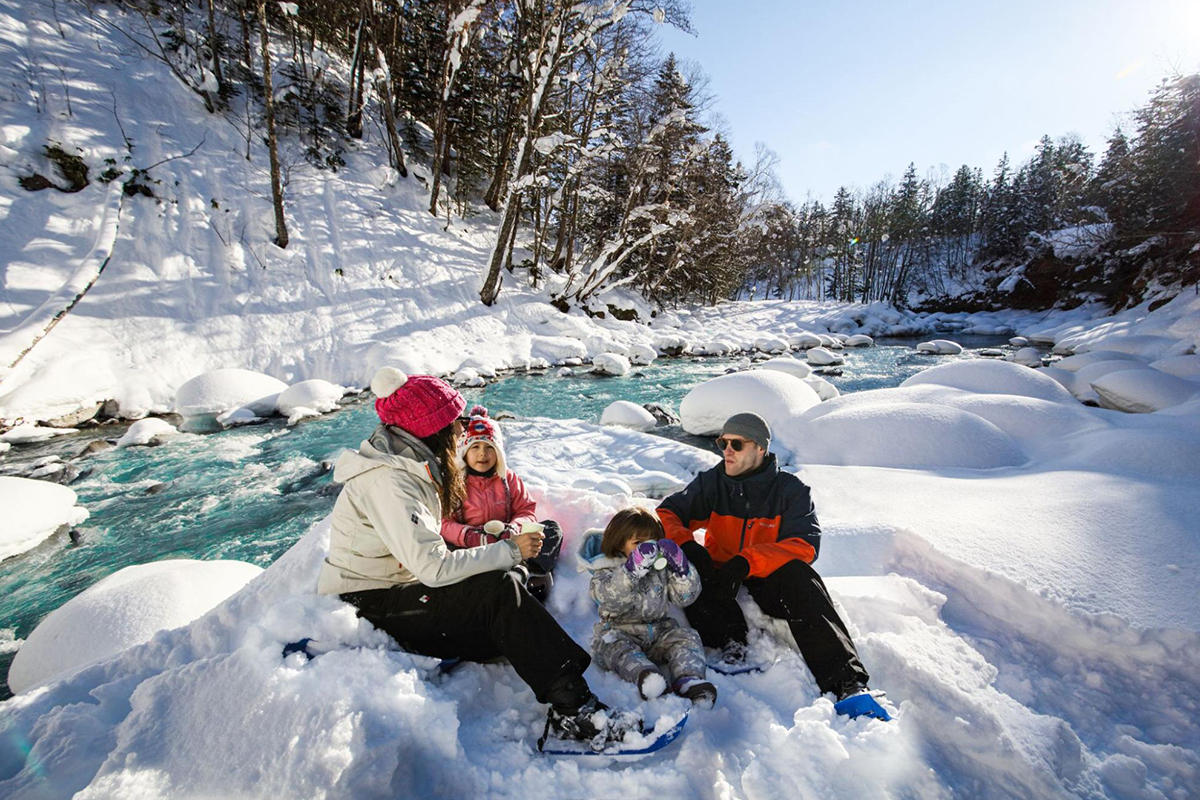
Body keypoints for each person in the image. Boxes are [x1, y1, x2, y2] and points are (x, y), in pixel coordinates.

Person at [318, 366, 636, 744]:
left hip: (404, 584)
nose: (460, 430)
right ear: (431, 427)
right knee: (500, 588)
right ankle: (575, 709)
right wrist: (507, 551)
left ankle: (516, 641)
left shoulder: (410, 466)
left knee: (507, 591)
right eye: (455, 421)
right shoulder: (391, 481)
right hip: (374, 600)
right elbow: (433, 567)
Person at [655, 412, 890, 720]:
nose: (727, 450)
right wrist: (688, 546)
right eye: (722, 442)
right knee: (688, 571)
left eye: (737, 444)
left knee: (802, 579)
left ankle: (847, 683)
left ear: (761, 449)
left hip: (767, 575)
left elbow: (805, 544)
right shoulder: (713, 482)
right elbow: (668, 512)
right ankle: (729, 641)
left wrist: (748, 561)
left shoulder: (790, 491)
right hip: (720, 575)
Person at [578, 507, 717, 706]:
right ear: (619, 544)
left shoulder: (661, 569)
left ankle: (689, 680)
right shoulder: (605, 569)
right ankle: (648, 677)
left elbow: (685, 598)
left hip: (659, 632)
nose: (649, 549)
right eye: (639, 543)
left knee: (687, 637)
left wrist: (681, 570)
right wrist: (631, 572)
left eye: (653, 542)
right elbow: (608, 598)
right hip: (620, 632)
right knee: (613, 646)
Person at [440, 406, 560, 601]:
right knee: (444, 549)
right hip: (473, 549)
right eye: (475, 447)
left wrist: (515, 528)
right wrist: (468, 536)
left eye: (489, 448)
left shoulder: (508, 479)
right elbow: (443, 523)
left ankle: (526, 570)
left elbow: (526, 509)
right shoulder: (455, 484)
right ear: (464, 451)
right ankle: (495, 578)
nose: (483, 454)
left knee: (551, 529)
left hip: (510, 542)